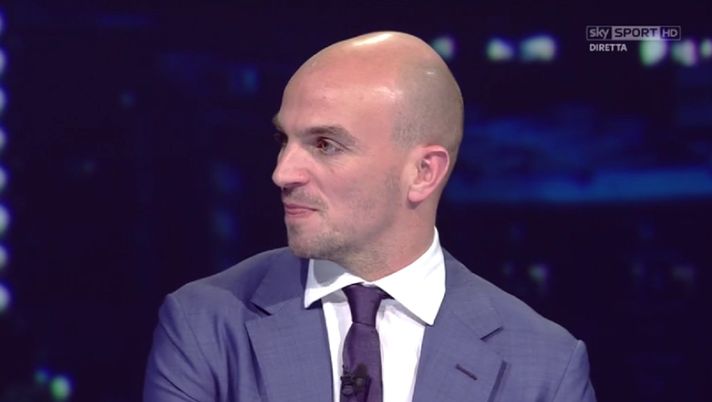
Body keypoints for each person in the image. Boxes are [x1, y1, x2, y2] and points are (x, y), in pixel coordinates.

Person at [144, 31, 596, 402]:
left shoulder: (545, 367)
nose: (282, 173)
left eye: (325, 145)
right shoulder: (205, 323)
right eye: (284, 140)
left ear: (423, 173)